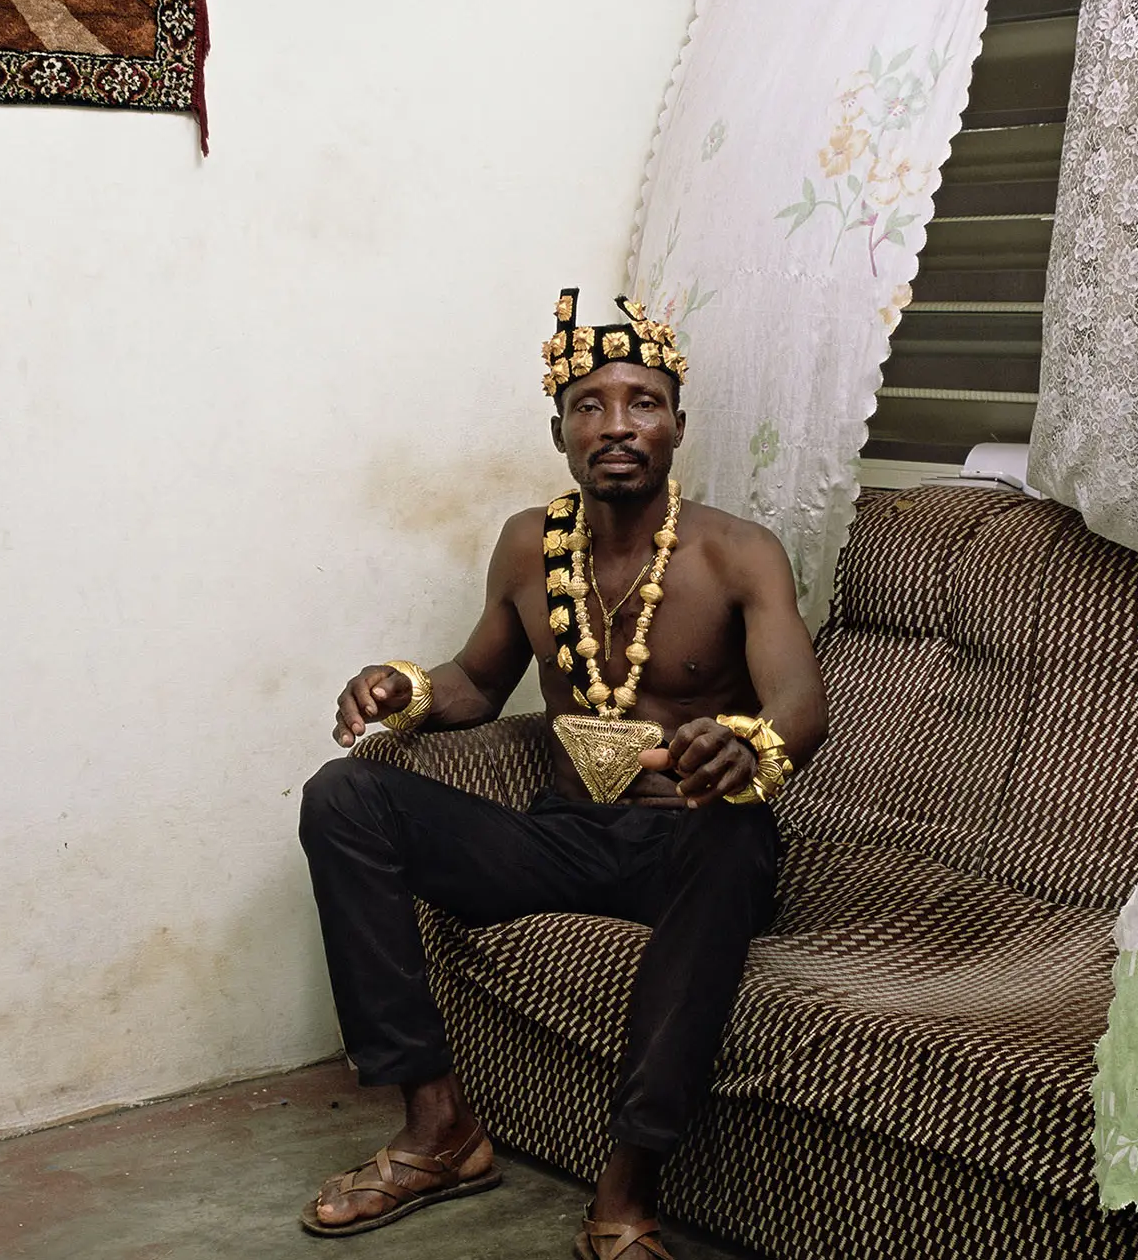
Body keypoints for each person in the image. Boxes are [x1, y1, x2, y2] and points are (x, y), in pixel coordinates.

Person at [297, 290, 828, 1260]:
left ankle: (622, 1200)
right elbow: (477, 683)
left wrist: (750, 744)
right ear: (559, 432)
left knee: (730, 830)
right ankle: (436, 1129)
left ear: (676, 425)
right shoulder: (526, 545)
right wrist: (400, 688)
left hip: (699, 842)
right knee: (345, 797)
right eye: (590, 404)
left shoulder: (738, 553)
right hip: (568, 831)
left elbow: (801, 701)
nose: (616, 424)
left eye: (642, 402)